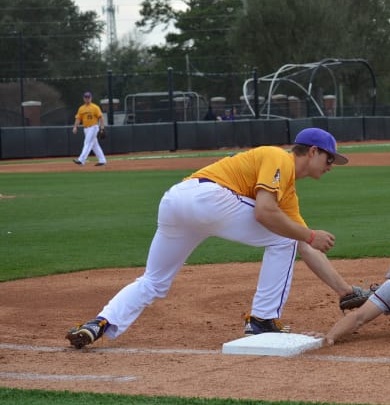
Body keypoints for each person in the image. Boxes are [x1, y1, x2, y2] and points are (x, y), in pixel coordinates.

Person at [66, 128, 373, 348]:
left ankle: (99, 323)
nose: (331, 167)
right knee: (283, 238)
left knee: (153, 281)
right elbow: (266, 214)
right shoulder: (278, 157)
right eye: (330, 159)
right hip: (208, 197)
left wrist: (345, 291)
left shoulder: (287, 192)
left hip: (175, 202)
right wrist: (308, 234)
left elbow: (303, 244)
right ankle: (262, 320)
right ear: (313, 151)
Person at [72, 91, 107, 166]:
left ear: (91, 98)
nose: (87, 99)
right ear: (83, 98)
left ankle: (81, 160)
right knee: (95, 145)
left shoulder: (95, 107)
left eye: (88, 97)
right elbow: (78, 119)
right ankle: (102, 160)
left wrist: (102, 128)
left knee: (87, 143)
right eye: (86, 97)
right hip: (86, 129)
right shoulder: (81, 108)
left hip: (93, 127)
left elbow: (101, 118)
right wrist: (75, 127)